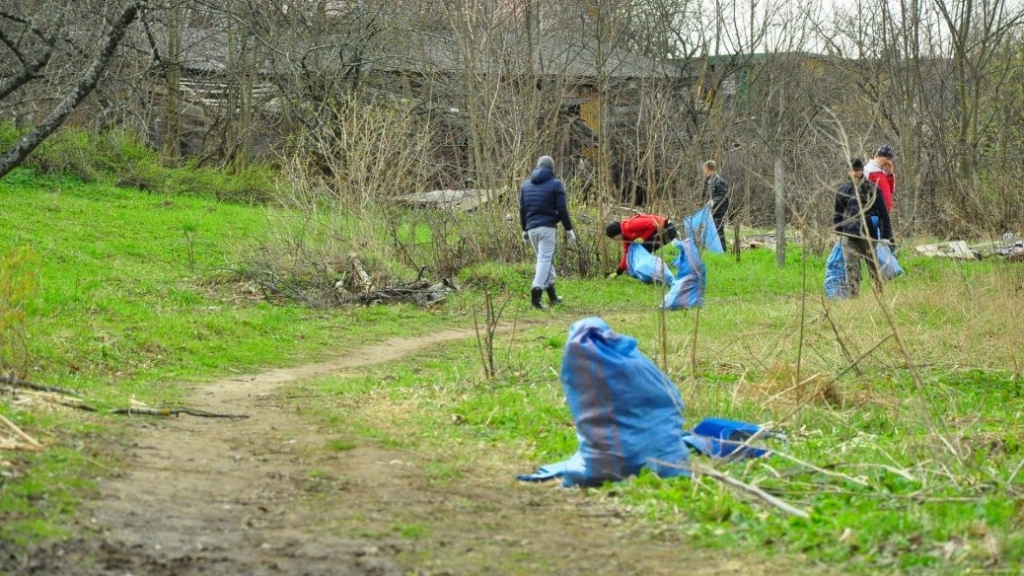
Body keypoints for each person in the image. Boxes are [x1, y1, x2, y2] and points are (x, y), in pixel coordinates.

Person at [519, 155, 576, 309]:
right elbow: (562, 209)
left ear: (537, 166)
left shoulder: (525, 185)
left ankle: (553, 297)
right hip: (547, 230)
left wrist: (524, 229)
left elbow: (522, 210)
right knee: (545, 260)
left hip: (531, 230)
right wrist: (569, 229)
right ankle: (536, 296)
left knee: (545, 261)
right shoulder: (555, 184)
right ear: (552, 168)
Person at [833, 158, 894, 297]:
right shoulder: (843, 190)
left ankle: (880, 295)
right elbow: (838, 214)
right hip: (849, 236)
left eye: (857, 171)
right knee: (851, 267)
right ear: (848, 172)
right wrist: (838, 232)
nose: (855, 173)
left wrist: (885, 236)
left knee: (873, 267)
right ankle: (853, 297)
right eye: (852, 171)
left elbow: (883, 214)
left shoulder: (873, 188)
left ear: (862, 171)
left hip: (868, 235)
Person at [605, 213, 678, 277]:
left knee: (641, 250)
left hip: (668, 229)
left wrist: (643, 238)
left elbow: (652, 224)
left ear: (617, 233)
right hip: (660, 232)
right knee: (636, 251)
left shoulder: (630, 225)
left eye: (614, 238)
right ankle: (653, 274)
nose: (616, 240)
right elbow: (627, 254)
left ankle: (657, 274)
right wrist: (618, 272)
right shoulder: (626, 237)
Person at [702, 160, 730, 250]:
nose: (704, 171)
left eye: (704, 168)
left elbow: (723, 196)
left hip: (718, 210)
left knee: (718, 231)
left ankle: (723, 251)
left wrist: (713, 201)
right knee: (711, 232)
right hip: (709, 211)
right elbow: (704, 196)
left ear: (708, 168)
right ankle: (715, 251)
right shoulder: (707, 181)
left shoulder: (719, 181)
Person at [864, 144, 895, 212]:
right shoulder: (867, 170)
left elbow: (891, 190)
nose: (889, 162)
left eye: (890, 159)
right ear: (878, 156)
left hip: (885, 212)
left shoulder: (884, 171)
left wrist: (890, 174)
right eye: (887, 159)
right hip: (874, 212)